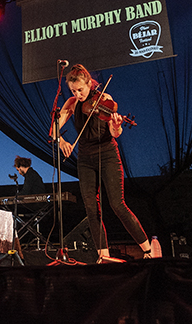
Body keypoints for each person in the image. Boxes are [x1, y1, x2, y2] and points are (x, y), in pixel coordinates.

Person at [51, 64, 152, 263]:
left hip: (107, 153)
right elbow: (54, 129)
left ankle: (148, 250)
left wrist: (116, 125)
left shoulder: (104, 100)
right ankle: (102, 256)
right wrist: (61, 140)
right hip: (85, 157)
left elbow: (115, 134)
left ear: (89, 84)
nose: (78, 94)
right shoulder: (71, 103)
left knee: (117, 204)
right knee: (91, 208)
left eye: (81, 89)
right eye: (73, 90)